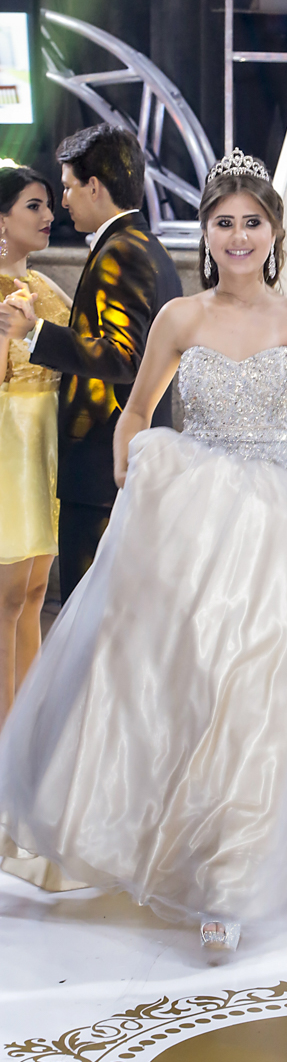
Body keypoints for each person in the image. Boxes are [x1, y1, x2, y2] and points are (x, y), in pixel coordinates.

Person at [0, 150, 287, 951]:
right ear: (207, 233)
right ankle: (181, 854)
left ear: (274, 232)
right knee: (185, 686)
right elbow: (136, 409)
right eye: (224, 224)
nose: (239, 236)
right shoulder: (181, 317)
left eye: (252, 223)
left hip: (282, 522)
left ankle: (234, 878)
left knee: (264, 687)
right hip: (194, 514)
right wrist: (132, 469)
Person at [0, 124, 182, 601]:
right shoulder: (145, 246)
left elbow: (123, 356)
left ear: (95, 187)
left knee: (92, 616)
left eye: (67, 188)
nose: (62, 204)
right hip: (114, 463)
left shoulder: (121, 252)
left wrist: (35, 333)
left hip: (105, 467)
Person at [0, 166, 70, 729]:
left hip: (45, 448)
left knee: (35, 591)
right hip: (9, 447)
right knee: (6, 600)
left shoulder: (45, 288)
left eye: (48, 204)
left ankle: (27, 731)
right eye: (33, 206)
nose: (48, 216)